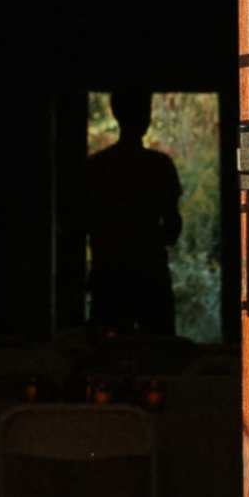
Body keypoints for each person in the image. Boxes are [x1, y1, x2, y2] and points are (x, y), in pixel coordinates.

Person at [78, 90, 183, 339]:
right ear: (147, 116)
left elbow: (79, 224)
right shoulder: (159, 166)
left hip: (108, 277)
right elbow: (172, 229)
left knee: (107, 360)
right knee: (158, 356)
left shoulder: (96, 167)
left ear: (116, 114)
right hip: (151, 277)